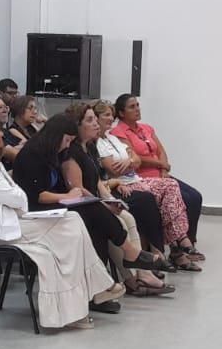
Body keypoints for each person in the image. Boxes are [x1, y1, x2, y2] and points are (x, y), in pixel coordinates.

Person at [0, 113, 122, 331]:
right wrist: (17, 195)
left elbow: (17, 196)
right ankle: (95, 288)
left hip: (14, 220)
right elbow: (19, 197)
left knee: (70, 226)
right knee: (71, 224)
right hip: (0, 230)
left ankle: (78, 304)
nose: (0, 133)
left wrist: (17, 195)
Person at [13, 113, 130, 315]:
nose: (67, 146)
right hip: (33, 213)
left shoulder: (52, 153)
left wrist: (68, 196)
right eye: (66, 140)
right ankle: (125, 256)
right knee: (91, 211)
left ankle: (97, 291)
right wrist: (67, 196)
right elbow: (37, 195)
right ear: (56, 136)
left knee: (95, 223)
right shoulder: (31, 155)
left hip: (52, 207)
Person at [66, 105, 173, 297]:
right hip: (83, 203)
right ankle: (134, 276)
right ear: (77, 125)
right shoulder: (71, 153)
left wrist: (108, 199)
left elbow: (97, 181)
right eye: (90, 120)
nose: (96, 124)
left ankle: (140, 274)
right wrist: (103, 201)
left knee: (128, 217)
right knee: (120, 220)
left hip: (98, 197)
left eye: (95, 119)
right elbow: (78, 188)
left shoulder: (90, 147)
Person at [91, 99, 197, 268]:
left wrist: (131, 162)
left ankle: (176, 243)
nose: (111, 118)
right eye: (107, 115)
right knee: (166, 190)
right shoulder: (101, 142)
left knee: (182, 192)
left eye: (111, 115)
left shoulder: (113, 138)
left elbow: (137, 159)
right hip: (126, 182)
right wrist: (132, 162)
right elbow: (114, 169)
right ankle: (177, 242)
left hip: (137, 178)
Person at [3, 95, 39, 161]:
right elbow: (33, 148)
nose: (35, 112)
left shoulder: (31, 128)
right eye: (30, 108)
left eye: (35, 108)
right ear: (19, 110)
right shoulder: (13, 130)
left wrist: (45, 120)